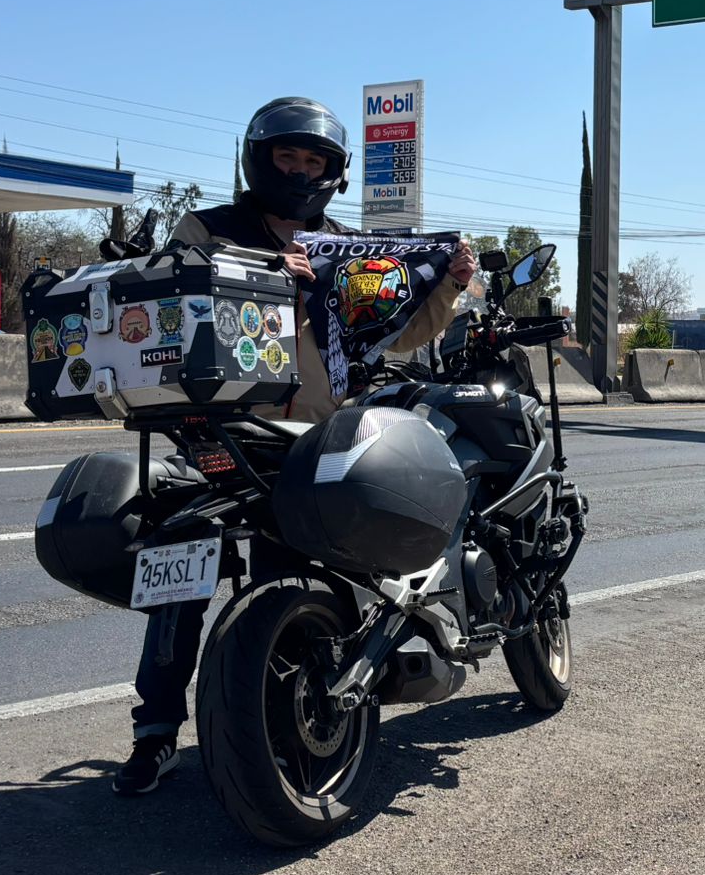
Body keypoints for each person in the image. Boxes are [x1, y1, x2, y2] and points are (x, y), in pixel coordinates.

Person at [113, 96, 477, 796]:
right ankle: (155, 730)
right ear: (259, 159)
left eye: (314, 160)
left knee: (309, 572)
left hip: (310, 434)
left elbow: (393, 332)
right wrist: (274, 276)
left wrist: (448, 288)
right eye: (288, 155)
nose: (300, 169)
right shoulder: (207, 228)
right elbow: (176, 296)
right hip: (218, 426)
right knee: (181, 574)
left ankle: (296, 715)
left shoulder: (347, 245)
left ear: (334, 173)